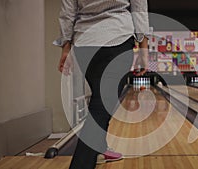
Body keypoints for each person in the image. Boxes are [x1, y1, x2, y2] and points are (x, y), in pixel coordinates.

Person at [54, 0, 149, 169]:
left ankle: (100, 147)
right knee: (101, 107)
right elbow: (139, 6)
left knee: (100, 102)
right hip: (117, 37)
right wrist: (143, 46)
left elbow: (68, 10)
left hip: (85, 42)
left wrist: (65, 46)